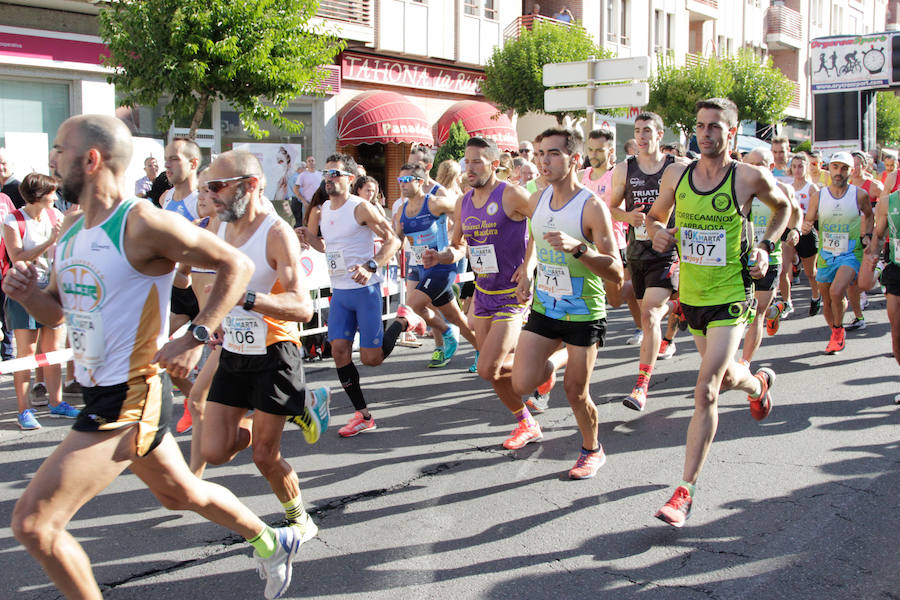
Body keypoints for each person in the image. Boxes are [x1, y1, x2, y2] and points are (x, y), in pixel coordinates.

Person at [6, 114, 312, 600]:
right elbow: (58, 310)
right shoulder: (69, 228)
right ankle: (272, 540)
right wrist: (27, 297)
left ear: (91, 159)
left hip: (130, 395)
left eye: (60, 149)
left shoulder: (142, 222)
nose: (51, 159)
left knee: (35, 524)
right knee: (180, 494)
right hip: (100, 388)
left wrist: (196, 334)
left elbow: (237, 264)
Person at [647, 98, 789, 527]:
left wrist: (765, 247)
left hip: (732, 296)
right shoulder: (678, 173)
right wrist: (658, 234)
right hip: (692, 297)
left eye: (714, 127)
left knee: (706, 387)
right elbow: (654, 218)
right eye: (700, 126)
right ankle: (758, 384)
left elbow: (782, 208)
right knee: (728, 377)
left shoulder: (748, 177)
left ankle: (684, 492)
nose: (705, 133)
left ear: (732, 130)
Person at [200, 150, 331, 539]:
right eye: (209, 187)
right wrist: (216, 321)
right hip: (235, 350)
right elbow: (206, 279)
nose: (212, 195)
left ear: (251, 185)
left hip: (275, 351)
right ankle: (300, 405)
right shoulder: (217, 226)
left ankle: (300, 519)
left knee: (264, 455)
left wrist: (248, 299)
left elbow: (302, 307)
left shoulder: (276, 233)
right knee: (215, 451)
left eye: (218, 186)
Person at [511, 126, 624, 479]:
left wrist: (579, 248)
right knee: (520, 382)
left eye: (554, 153)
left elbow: (616, 270)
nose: (544, 160)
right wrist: (527, 270)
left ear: (574, 159)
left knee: (576, 393)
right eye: (541, 153)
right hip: (545, 306)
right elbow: (535, 241)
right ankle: (557, 362)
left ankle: (592, 449)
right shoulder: (537, 199)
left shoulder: (591, 207)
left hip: (583, 312)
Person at [426, 136, 553, 447]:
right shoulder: (463, 202)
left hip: (513, 294)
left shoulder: (511, 195)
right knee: (493, 373)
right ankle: (527, 422)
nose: (469, 168)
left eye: (476, 162)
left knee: (487, 367)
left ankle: (544, 366)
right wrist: (440, 256)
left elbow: (542, 223)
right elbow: (459, 247)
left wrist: (529, 266)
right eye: (466, 162)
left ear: (494, 164)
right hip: (483, 293)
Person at [298, 153, 407, 437]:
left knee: (372, 359)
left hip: (365, 290)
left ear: (350, 179)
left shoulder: (361, 208)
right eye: (327, 173)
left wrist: (371, 266)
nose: (329, 179)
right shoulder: (321, 210)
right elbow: (324, 247)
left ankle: (402, 322)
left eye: (335, 174)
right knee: (339, 352)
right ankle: (363, 414)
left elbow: (393, 239)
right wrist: (305, 236)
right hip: (341, 293)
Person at [607, 112, 682, 411]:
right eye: (638, 131)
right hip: (637, 252)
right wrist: (627, 216)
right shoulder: (624, 169)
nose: (642, 136)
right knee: (644, 311)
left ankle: (641, 385)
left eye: (648, 131)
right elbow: (611, 207)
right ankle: (678, 306)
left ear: (660, 135)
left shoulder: (677, 168)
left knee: (650, 315)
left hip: (667, 252)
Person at [3, 173, 75, 430]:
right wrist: (49, 242)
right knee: (26, 353)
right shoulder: (14, 219)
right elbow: (17, 257)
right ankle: (24, 410)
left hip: (52, 289)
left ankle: (56, 403)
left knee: (52, 350)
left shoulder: (56, 216)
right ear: (38, 196)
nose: (56, 197)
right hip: (24, 291)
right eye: (51, 193)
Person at [395, 162, 478, 367]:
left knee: (413, 304)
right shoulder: (401, 211)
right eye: (400, 180)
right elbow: (396, 240)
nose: (402, 184)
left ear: (420, 181)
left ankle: (447, 333)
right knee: (456, 316)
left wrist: (455, 239)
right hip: (420, 267)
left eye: (407, 180)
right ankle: (480, 349)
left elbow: (461, 211)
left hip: (441, 267)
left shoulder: (434, 203)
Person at [801, 151, 874, 354]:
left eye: (844, 168)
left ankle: (838, 330)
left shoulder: (859, 194)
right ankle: (836, 330)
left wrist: (866, 234)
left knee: (836, 291)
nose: (839, 172)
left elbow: (869, 215)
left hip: (851, 253)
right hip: (826, 254)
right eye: (835, 167)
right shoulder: (819, 196)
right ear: (829, 169)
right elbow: (809, 219)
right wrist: (805, 228)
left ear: (851, 171)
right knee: (827, 297)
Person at [740, 149, 801, 367]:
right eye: (751, 164)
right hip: (740, 258)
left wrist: (796, 229)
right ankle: (776, 309)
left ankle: (744, 363)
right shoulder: (739, 187)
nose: (756, 169)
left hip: (770, 259)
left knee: (757, 312)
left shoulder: (782, 188)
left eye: (761, 164)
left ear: (771, 167)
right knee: (739, 312)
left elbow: (795, 211)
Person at [581, 128, 642, 343]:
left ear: (610, 152)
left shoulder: (616, 174)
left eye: (599, 150)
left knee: (615, 300)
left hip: (614, 243)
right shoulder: (582, 176)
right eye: (590, 149)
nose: (593, 154)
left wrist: (626, 216)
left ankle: (644, 290)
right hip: (588, 243)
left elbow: (621, 209)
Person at [858, 186, 900, 404]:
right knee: (896, 331)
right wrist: (872, 254)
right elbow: (880, 232)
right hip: (896, 269)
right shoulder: (888, 202)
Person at [789, 153, 823, 316]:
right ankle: (785, 301)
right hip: (789, 230)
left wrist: (808, 221)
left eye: (800, 166)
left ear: (806, 168)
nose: (797, 170)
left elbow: (818, 212)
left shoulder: (812, 188)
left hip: (806, 232)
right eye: (794, 166)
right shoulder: (788, 186)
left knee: (810, 273)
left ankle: (816, 296)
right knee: (783, 268)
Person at [292, 156, 323, 225]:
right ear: (306, 164)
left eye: (312, 161)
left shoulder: (320, 174)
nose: (311, 162)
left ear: (315, 162)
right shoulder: (302, 175)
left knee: (320, 223)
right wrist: (303, 201)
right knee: (308, 223)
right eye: (309, 161)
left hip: (319, 203)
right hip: (308, 203)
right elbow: (295, 189)